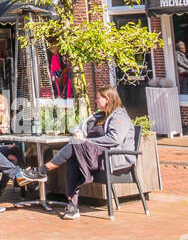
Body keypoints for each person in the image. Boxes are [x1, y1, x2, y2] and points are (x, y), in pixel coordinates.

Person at [20, 85, 135, 220]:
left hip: (112, 158)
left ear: (107, 99)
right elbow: (81, 129)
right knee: (74, 156)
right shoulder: (98, 116)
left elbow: (115, 139)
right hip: (93, 156)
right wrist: (79, 136)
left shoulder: (120, 116)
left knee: (76, 147)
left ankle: (43, 170)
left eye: (98, 98)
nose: (96, 101)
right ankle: (72, 206)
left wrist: (86, 142)